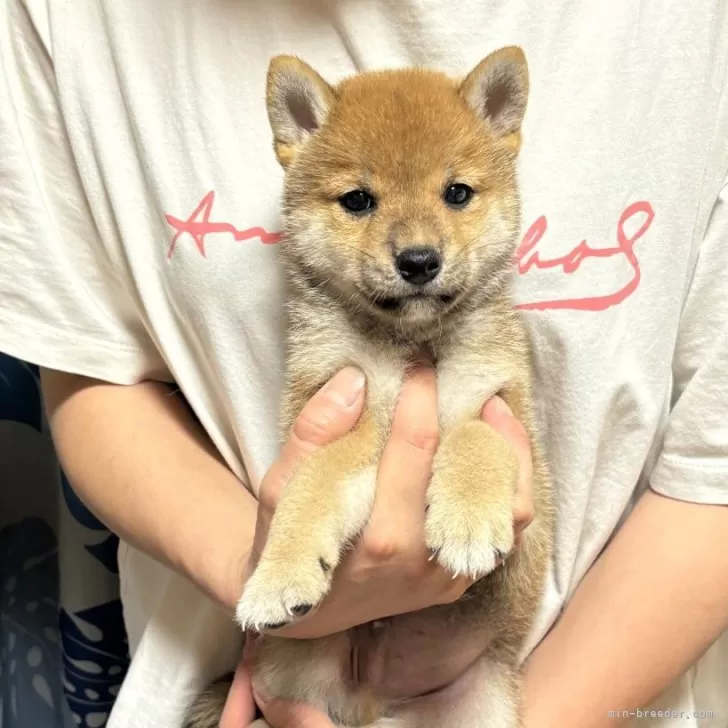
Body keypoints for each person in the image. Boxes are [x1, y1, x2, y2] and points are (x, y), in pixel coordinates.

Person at [1, 1, 727, 727]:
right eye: (358, 200)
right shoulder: (66, 19)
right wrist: (274, 574)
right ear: (296, 132)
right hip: (274, 691)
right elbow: (97, 381)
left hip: (524, 690)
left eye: (456, 195)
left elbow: (703, 471)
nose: (416, 243)